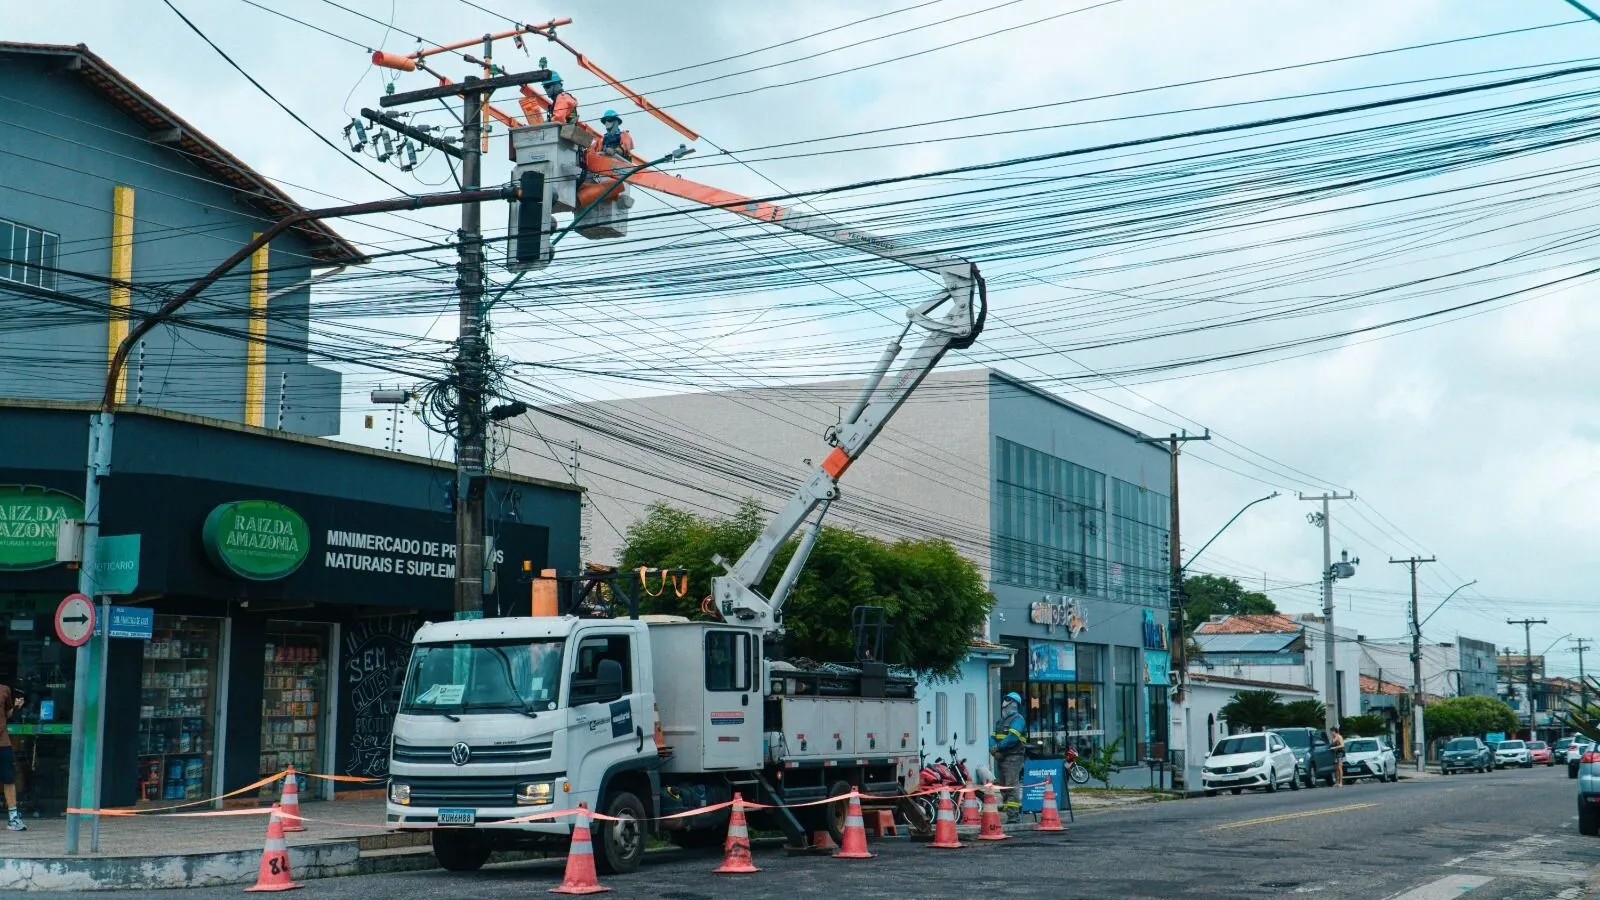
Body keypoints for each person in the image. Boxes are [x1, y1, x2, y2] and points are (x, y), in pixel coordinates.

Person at [989, 691, 1027, 818]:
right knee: (1003, 786)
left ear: (1015, 704)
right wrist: (993, 750)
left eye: (1009, 701)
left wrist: (997, 748)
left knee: (1011, 785)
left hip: (1014, 756)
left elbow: (1012, 738)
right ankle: (1009, 811)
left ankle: (1013, 815)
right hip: (1001, 757)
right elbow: (992, 737)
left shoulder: (1018, 719)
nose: (1005, 703)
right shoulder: (1000, 721)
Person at [0, 683, 24, 830]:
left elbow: (7, 713)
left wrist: (16, 706)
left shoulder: (4, 690)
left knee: (8, 778)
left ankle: (13, 818)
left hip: (2, 742)